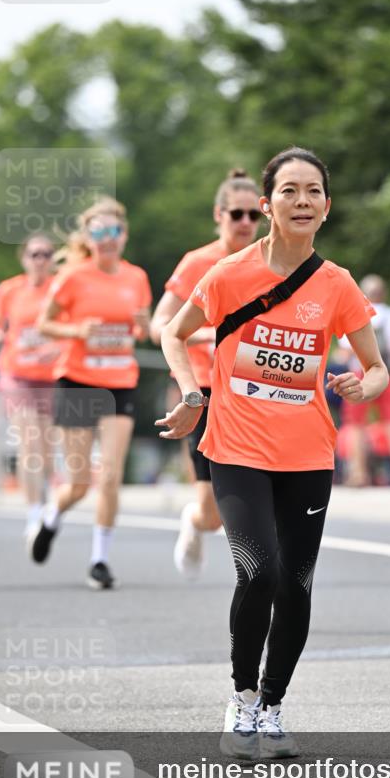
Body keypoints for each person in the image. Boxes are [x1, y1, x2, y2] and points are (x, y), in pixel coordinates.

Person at [156, 146, 388, 759]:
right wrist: (190, 392)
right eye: (289, 191)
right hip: (236, 447)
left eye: (313, 191)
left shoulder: (336, 285)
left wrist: (363, 384)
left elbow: (378, 366)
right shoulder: (228, 274)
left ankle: (274, 702)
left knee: (297, 582)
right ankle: (241, 699)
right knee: (257, 571)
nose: (303, 201)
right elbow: (173, 333)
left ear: (327, 206)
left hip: (308, 454)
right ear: (266, 205)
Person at [31, 197, 152, 590]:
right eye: (98, 232)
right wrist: (77, 332)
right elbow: (44, 324)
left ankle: (99, 559)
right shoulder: (73, 278)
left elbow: (144, 330)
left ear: (125, 234)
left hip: (120, 381)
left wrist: (142, 323)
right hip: (79, 380)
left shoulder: (136, 277)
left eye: (113, 231)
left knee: (111, 475)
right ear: (88, 238)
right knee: (80, 482)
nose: (107, 239)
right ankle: (53, 515)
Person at [150, 169, 264, 575]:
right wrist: (209, 339)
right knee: (211, 514)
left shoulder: (271, 262)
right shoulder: (198, 262)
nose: (246, 222)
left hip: (258, 392)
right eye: (237, 214)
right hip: (205, 392)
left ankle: (263, 579)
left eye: (255, 214)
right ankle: (195, 523)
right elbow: (159, 325)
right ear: (219, 215)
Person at [0, 233, 61, 549]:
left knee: (44, 450)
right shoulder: (10, 289)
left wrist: (55, 348)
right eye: (34, 254)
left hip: (52, 377)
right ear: (24, 258)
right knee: (30, 445)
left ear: (53, 258)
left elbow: (72, 332)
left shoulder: (61, 289)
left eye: (46, 254)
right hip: (17, 375)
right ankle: (33, 514)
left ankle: (44, 502)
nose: (40, 259)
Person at [338, 274, 390, 485]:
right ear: (384, 293)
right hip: (387, 373)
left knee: (355, 424)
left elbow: (344, 352)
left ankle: (358, 473)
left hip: (358, 374)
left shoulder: (355, 311)